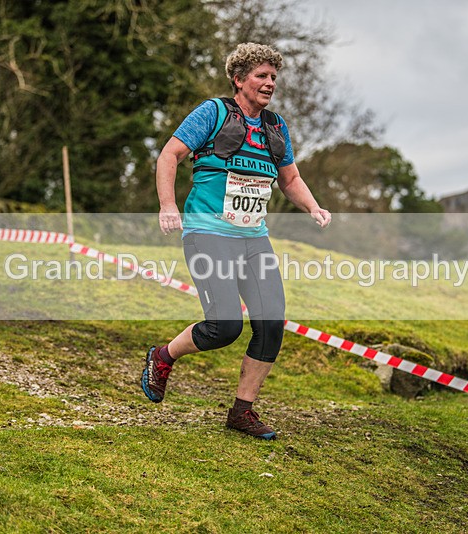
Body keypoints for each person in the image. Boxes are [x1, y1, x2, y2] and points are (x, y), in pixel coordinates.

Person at [141, 42, 331, 439]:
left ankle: (242, 412)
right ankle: (162, 356)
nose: (270, 83)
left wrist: (313, 207)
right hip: (208, 234)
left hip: (253, 240)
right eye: (261, 76)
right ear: (239, 79)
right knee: (224, 326)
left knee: (271, 323)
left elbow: (290, 179)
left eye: (273, 77)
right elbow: (169, 156)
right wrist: (167, 205)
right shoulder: (213, 113)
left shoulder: (275, 127)